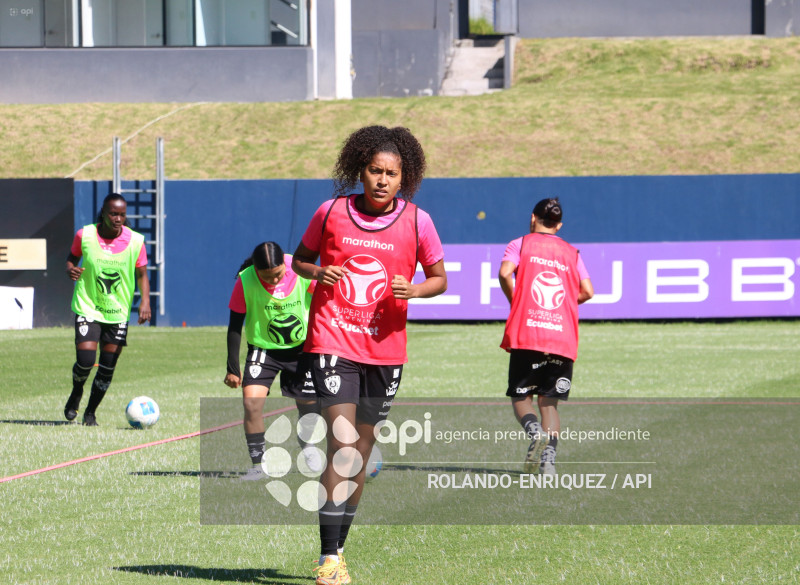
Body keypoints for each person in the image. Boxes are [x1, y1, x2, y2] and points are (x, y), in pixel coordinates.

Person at [292, 125, 447, 585]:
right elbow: (299, 260)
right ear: (360, 170)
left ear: (405, 179)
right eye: (375, 170)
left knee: (359, 453)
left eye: (391, 174)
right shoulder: (331, 212)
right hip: (332, 342)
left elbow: (440, 278)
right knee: (341, 446)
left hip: (385, 351)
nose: (382, 180)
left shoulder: (419, 221)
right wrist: (317, 272)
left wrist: (415, 289)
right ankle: (326, 558)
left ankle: (340, 550)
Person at [499, 197, 593, 475]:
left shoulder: (521, 243)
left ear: (533, 218)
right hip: (562, 337)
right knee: (549, 403)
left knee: (521, 398)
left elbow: (506, 273)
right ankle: (548, 462)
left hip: (528, 333)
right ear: (559, 225)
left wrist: (518, 301)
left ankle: (533, 431)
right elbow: (587, 291)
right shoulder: (571, 252)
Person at [224, 241, 322, 480]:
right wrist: (232, 368)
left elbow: (324, 301)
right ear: (256, 270)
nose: (274, 281)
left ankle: (307, 446)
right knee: (251, 404)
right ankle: (259, 465)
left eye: (278, 275)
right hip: (263, 351)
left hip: (302, 349)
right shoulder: (245, 280)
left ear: (284, 266)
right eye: (267, 277)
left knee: (308, 406)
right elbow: (235, 326)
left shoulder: (300, 269)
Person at [63, 193, 151, 426]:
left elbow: (142, 274)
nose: (118, 218)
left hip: (117, 312)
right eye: (114, 213)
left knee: (107, 366)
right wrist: (70, 269)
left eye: (122, 214)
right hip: (88, 306)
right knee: (85, 359)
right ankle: (77, 391)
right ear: (104, 212)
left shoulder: (135, 241)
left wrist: (145, 302)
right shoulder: (85, 235)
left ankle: (91, 412)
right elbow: (71, 258)